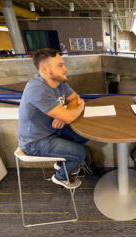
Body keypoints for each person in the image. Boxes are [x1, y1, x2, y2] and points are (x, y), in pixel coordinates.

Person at [18, 48, 88, 189]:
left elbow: (74, 98)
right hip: (35, 142)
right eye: (60, 65)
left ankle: (62, 162)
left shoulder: (59, 82)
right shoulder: (37, 89)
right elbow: (77, 105)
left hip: (54, 130)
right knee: (80, 152)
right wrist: (76, 109)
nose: (65, 69)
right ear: (44, 69)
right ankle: (61, 177)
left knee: (84, 134)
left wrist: (64, 114)